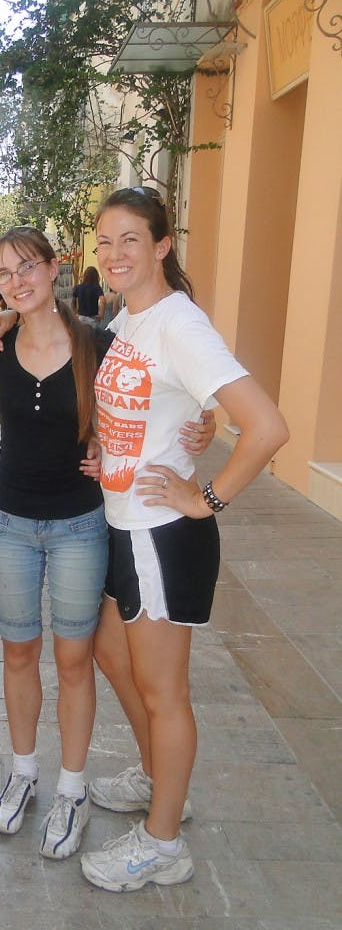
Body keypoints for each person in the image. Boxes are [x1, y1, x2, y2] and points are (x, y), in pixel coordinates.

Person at [0, 227, 216, 862]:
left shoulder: (100, 344)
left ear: (55, 269)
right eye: (4, 273)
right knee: (18, 655)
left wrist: (200, 425)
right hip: (11, 523)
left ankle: (71, 788)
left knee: (75, 661)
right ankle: (24, 772)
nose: (17, 281)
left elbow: (160, 400)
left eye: (28, 266)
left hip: (82, 523)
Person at [78, 186, 289, 892]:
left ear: (163, 245)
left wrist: (207, 498)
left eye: (130, 239)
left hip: (163, 535)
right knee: (111, 651)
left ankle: (164, 842)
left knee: (163, 689)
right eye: (105, 241)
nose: (114, 254)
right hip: (125, 524)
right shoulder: (133, 319)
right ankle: (158, 775)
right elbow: (167, 407)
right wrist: (116, 456)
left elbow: (266, 427)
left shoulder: (178, 324)